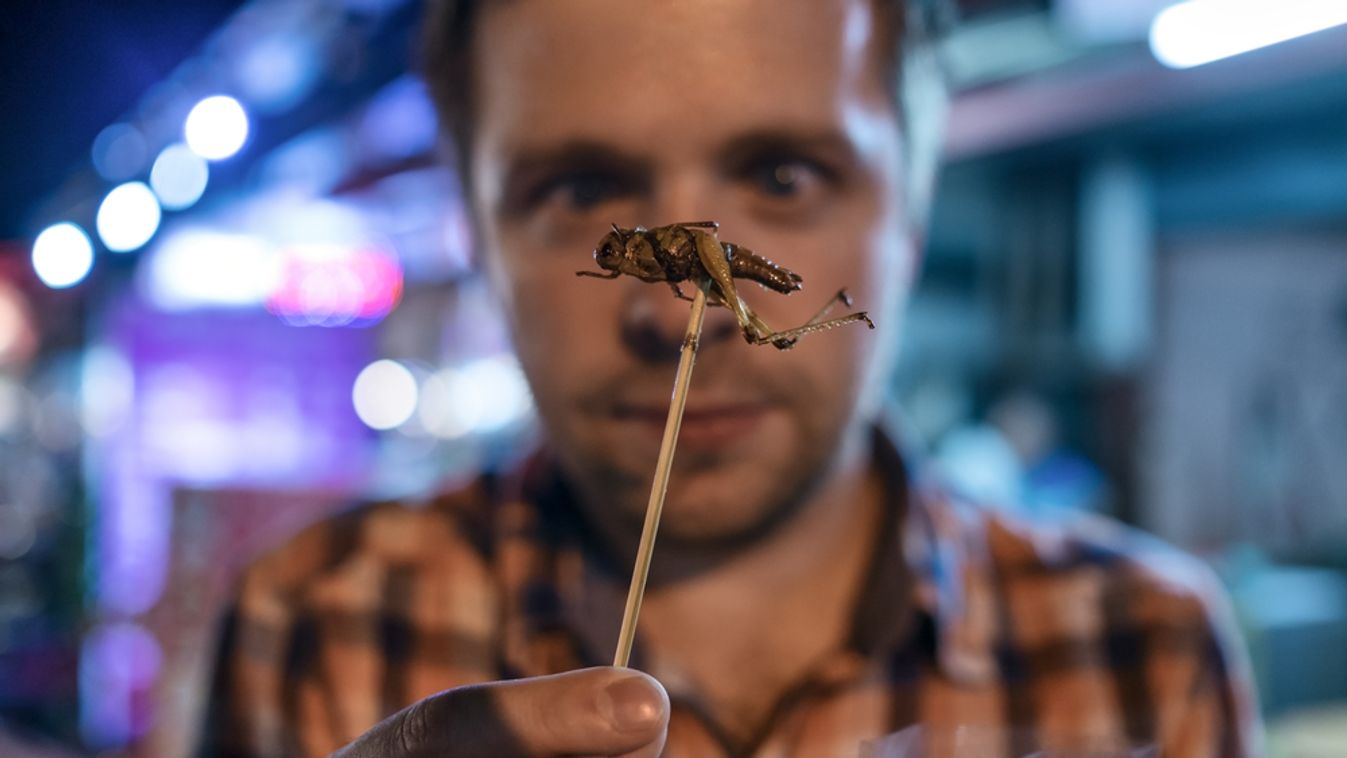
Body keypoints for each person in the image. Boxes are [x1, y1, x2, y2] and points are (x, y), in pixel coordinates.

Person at [200, 0, 1261, 755]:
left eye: (784, 175)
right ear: (474, 232)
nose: (676, 314)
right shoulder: (313, 626)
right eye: (579, 187)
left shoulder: (1144, 650)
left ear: (913, 209)